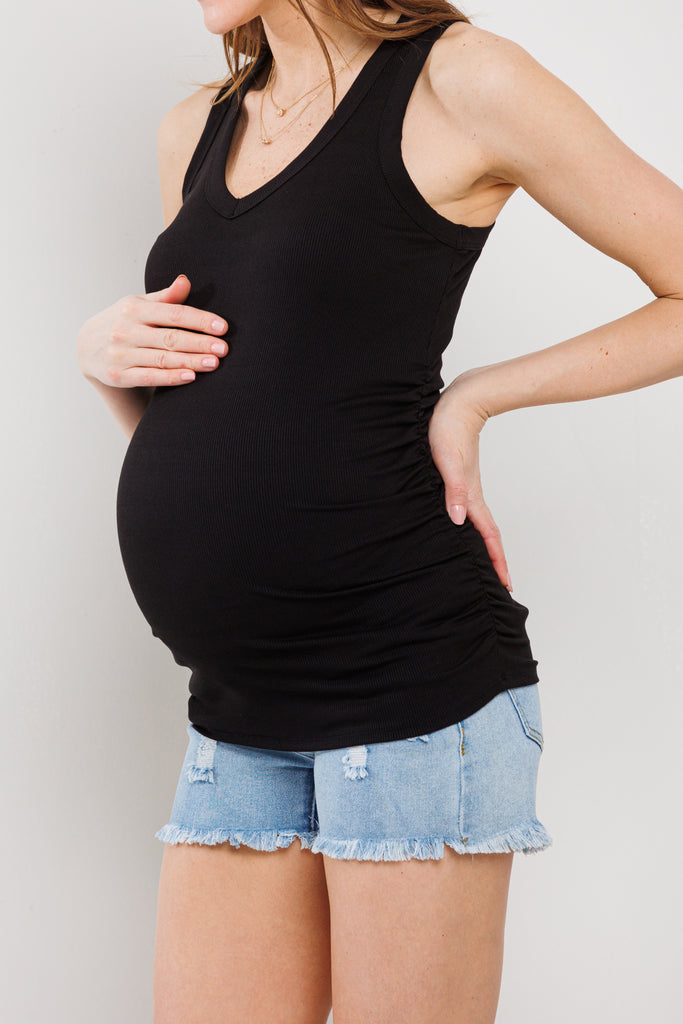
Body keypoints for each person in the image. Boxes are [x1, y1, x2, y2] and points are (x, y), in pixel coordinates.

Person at [76, 2, 683, 1021]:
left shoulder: (460, 82)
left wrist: (478, 394)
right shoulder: (195, 128)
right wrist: (107, 360)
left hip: (409, 687)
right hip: (237, 708)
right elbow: (237, 424)